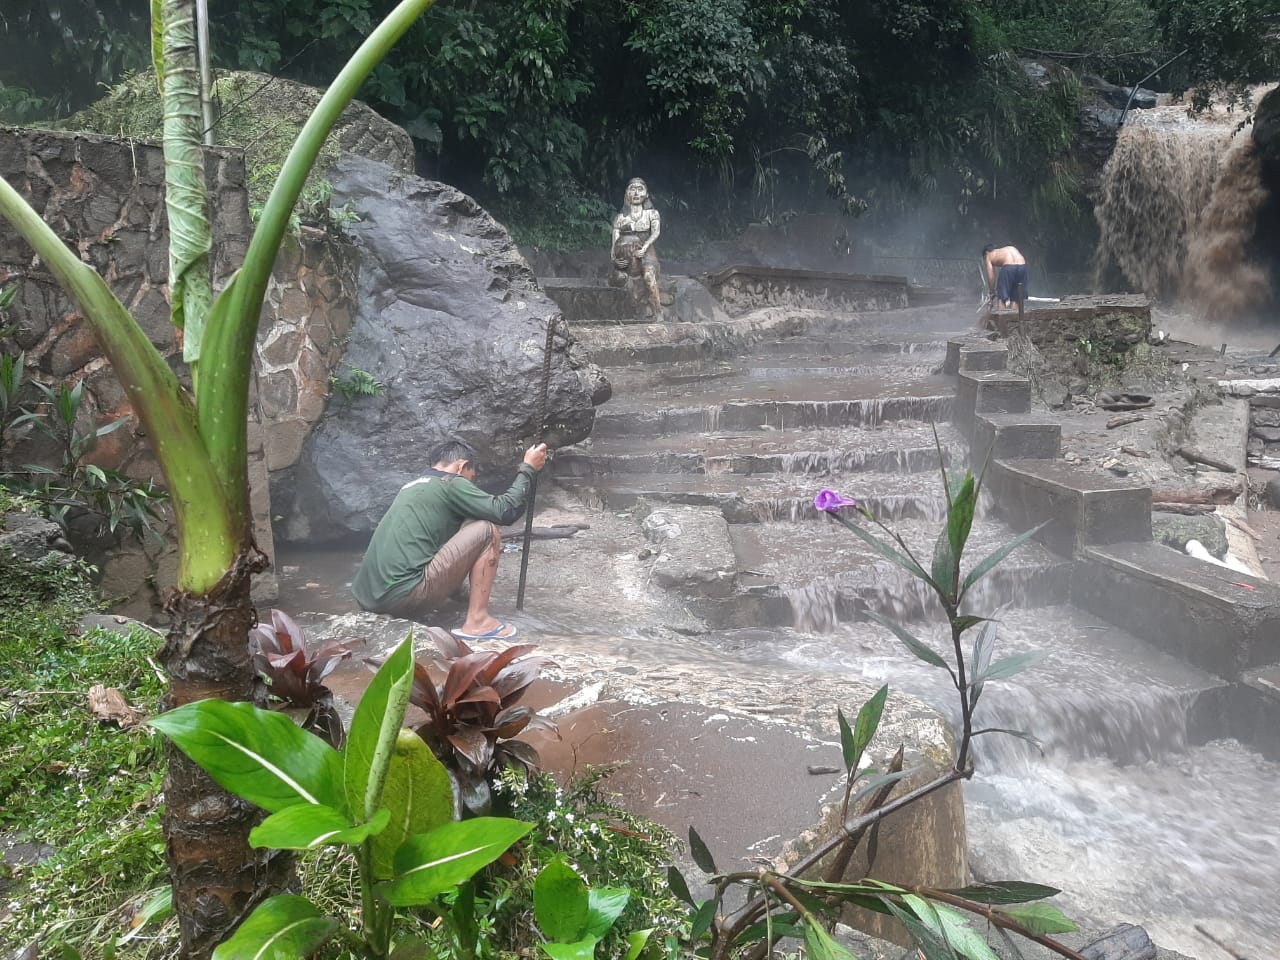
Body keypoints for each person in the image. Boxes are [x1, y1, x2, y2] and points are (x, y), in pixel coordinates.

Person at [352, 439, 548, 640]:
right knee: (486, 530)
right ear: (461, 466)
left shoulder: (411, 488)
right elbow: (506, 511)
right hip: (401, 597)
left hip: (368, 600)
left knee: (467, 522)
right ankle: (478, 621)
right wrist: (528, 469)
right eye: (471, 478)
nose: (470, 484)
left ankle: (461, 598)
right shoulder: (450, 482)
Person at [610, 177, 663, 317]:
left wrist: (644, 248)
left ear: (646, 194)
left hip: (647, 256)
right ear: (626, 193)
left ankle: (658, 312)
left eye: (640, 189)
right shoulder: (620, 218)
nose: (636, 193)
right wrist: (615, 260)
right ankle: (621, 314)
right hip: (626, 257)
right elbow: (614, 244)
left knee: (648, 275)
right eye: (632, 189)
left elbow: (656, 232)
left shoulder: (652, 214)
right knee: (619, 278)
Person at [982, 244, 1028, 313]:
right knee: (1016, 298)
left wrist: (992, 292)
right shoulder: (1006, 249)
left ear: (986, 252)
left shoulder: (988, 255)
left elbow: (991, 276)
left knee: (1001, 298)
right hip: (1022, 266)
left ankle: (1002, 321)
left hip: (1008, 267)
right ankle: (1014, 321)